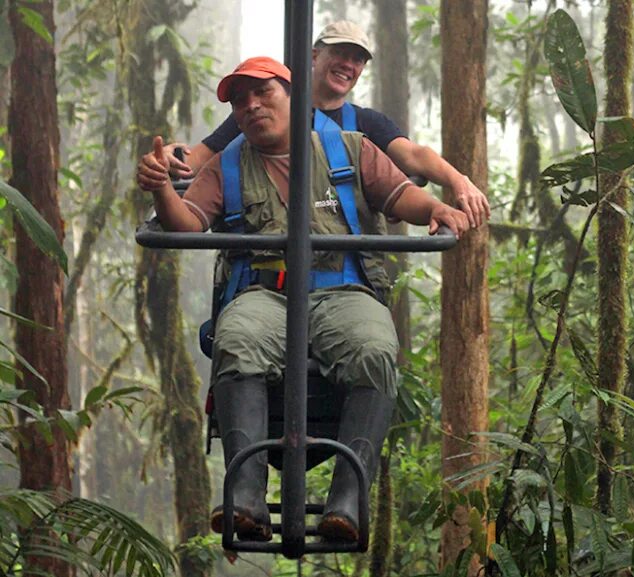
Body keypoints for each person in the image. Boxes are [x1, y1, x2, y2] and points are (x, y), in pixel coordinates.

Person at [138, 56, 469, 544]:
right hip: (265, 293)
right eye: (239, 100)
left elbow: (400, 195)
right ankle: (245, 495)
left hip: (340, 290)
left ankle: (348, 498)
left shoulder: (349, 150)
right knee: (237, 339)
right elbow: (187, 222)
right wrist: (163, 188)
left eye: (262, 93)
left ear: (292, 95)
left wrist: (438, 206)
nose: (251, 107)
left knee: (375, 347)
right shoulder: (229, 163)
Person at [152, 20, 490, 229]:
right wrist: (168, 157)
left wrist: (457, 182)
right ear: (314, 56)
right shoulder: (258, 115)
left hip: (341, 257)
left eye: (357, 58)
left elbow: (414, 156)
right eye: (340, 53)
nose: (348, 64)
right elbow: (196, 159)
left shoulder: (364, 124)